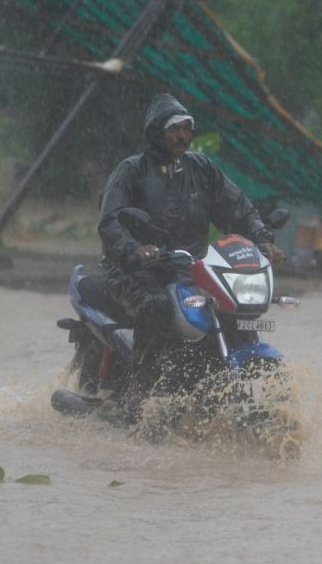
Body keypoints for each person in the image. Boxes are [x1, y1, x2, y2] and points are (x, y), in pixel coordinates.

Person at [97, 93, 285, 396]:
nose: (182, 135)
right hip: (136, 270)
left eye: (187, 128)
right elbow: (110, 221)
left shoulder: (202, 168)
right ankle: (139, 391)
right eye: (174, 129)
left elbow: (238, 208)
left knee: (233, 304)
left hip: (191, 269)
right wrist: (134, 249)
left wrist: (263, 238)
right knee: (156, 305)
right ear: (156, 131)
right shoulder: (131, 170)